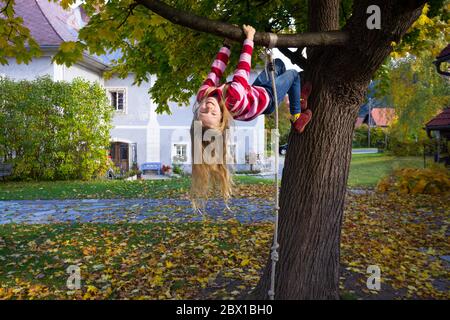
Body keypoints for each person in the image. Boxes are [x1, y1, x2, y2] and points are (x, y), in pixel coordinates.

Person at [190, 24, 312, 208]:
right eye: (213, 113)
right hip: (268, 99)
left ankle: (294, 94)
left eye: (203, 111)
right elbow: (243, 68)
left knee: (277, 65)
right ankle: (297, 115)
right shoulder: (232, 98)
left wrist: (227, 45)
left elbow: (215, 71)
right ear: (222, 117)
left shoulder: (203, 94)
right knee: (293, 74)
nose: (207, 106)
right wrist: (249, 38)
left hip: (255, 92)